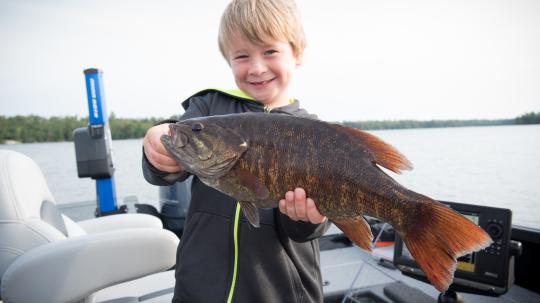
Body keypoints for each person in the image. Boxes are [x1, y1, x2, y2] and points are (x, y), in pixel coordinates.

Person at [142, 0, 330, 302]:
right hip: (199, 290)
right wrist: (157, 144)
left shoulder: (316, 134)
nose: (257, 68)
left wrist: (309, 219)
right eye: (242, 56)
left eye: (270, 51)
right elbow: (176, 143)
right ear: (228, 60)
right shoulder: (208, 109)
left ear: (297, 53)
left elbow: (305, 230)